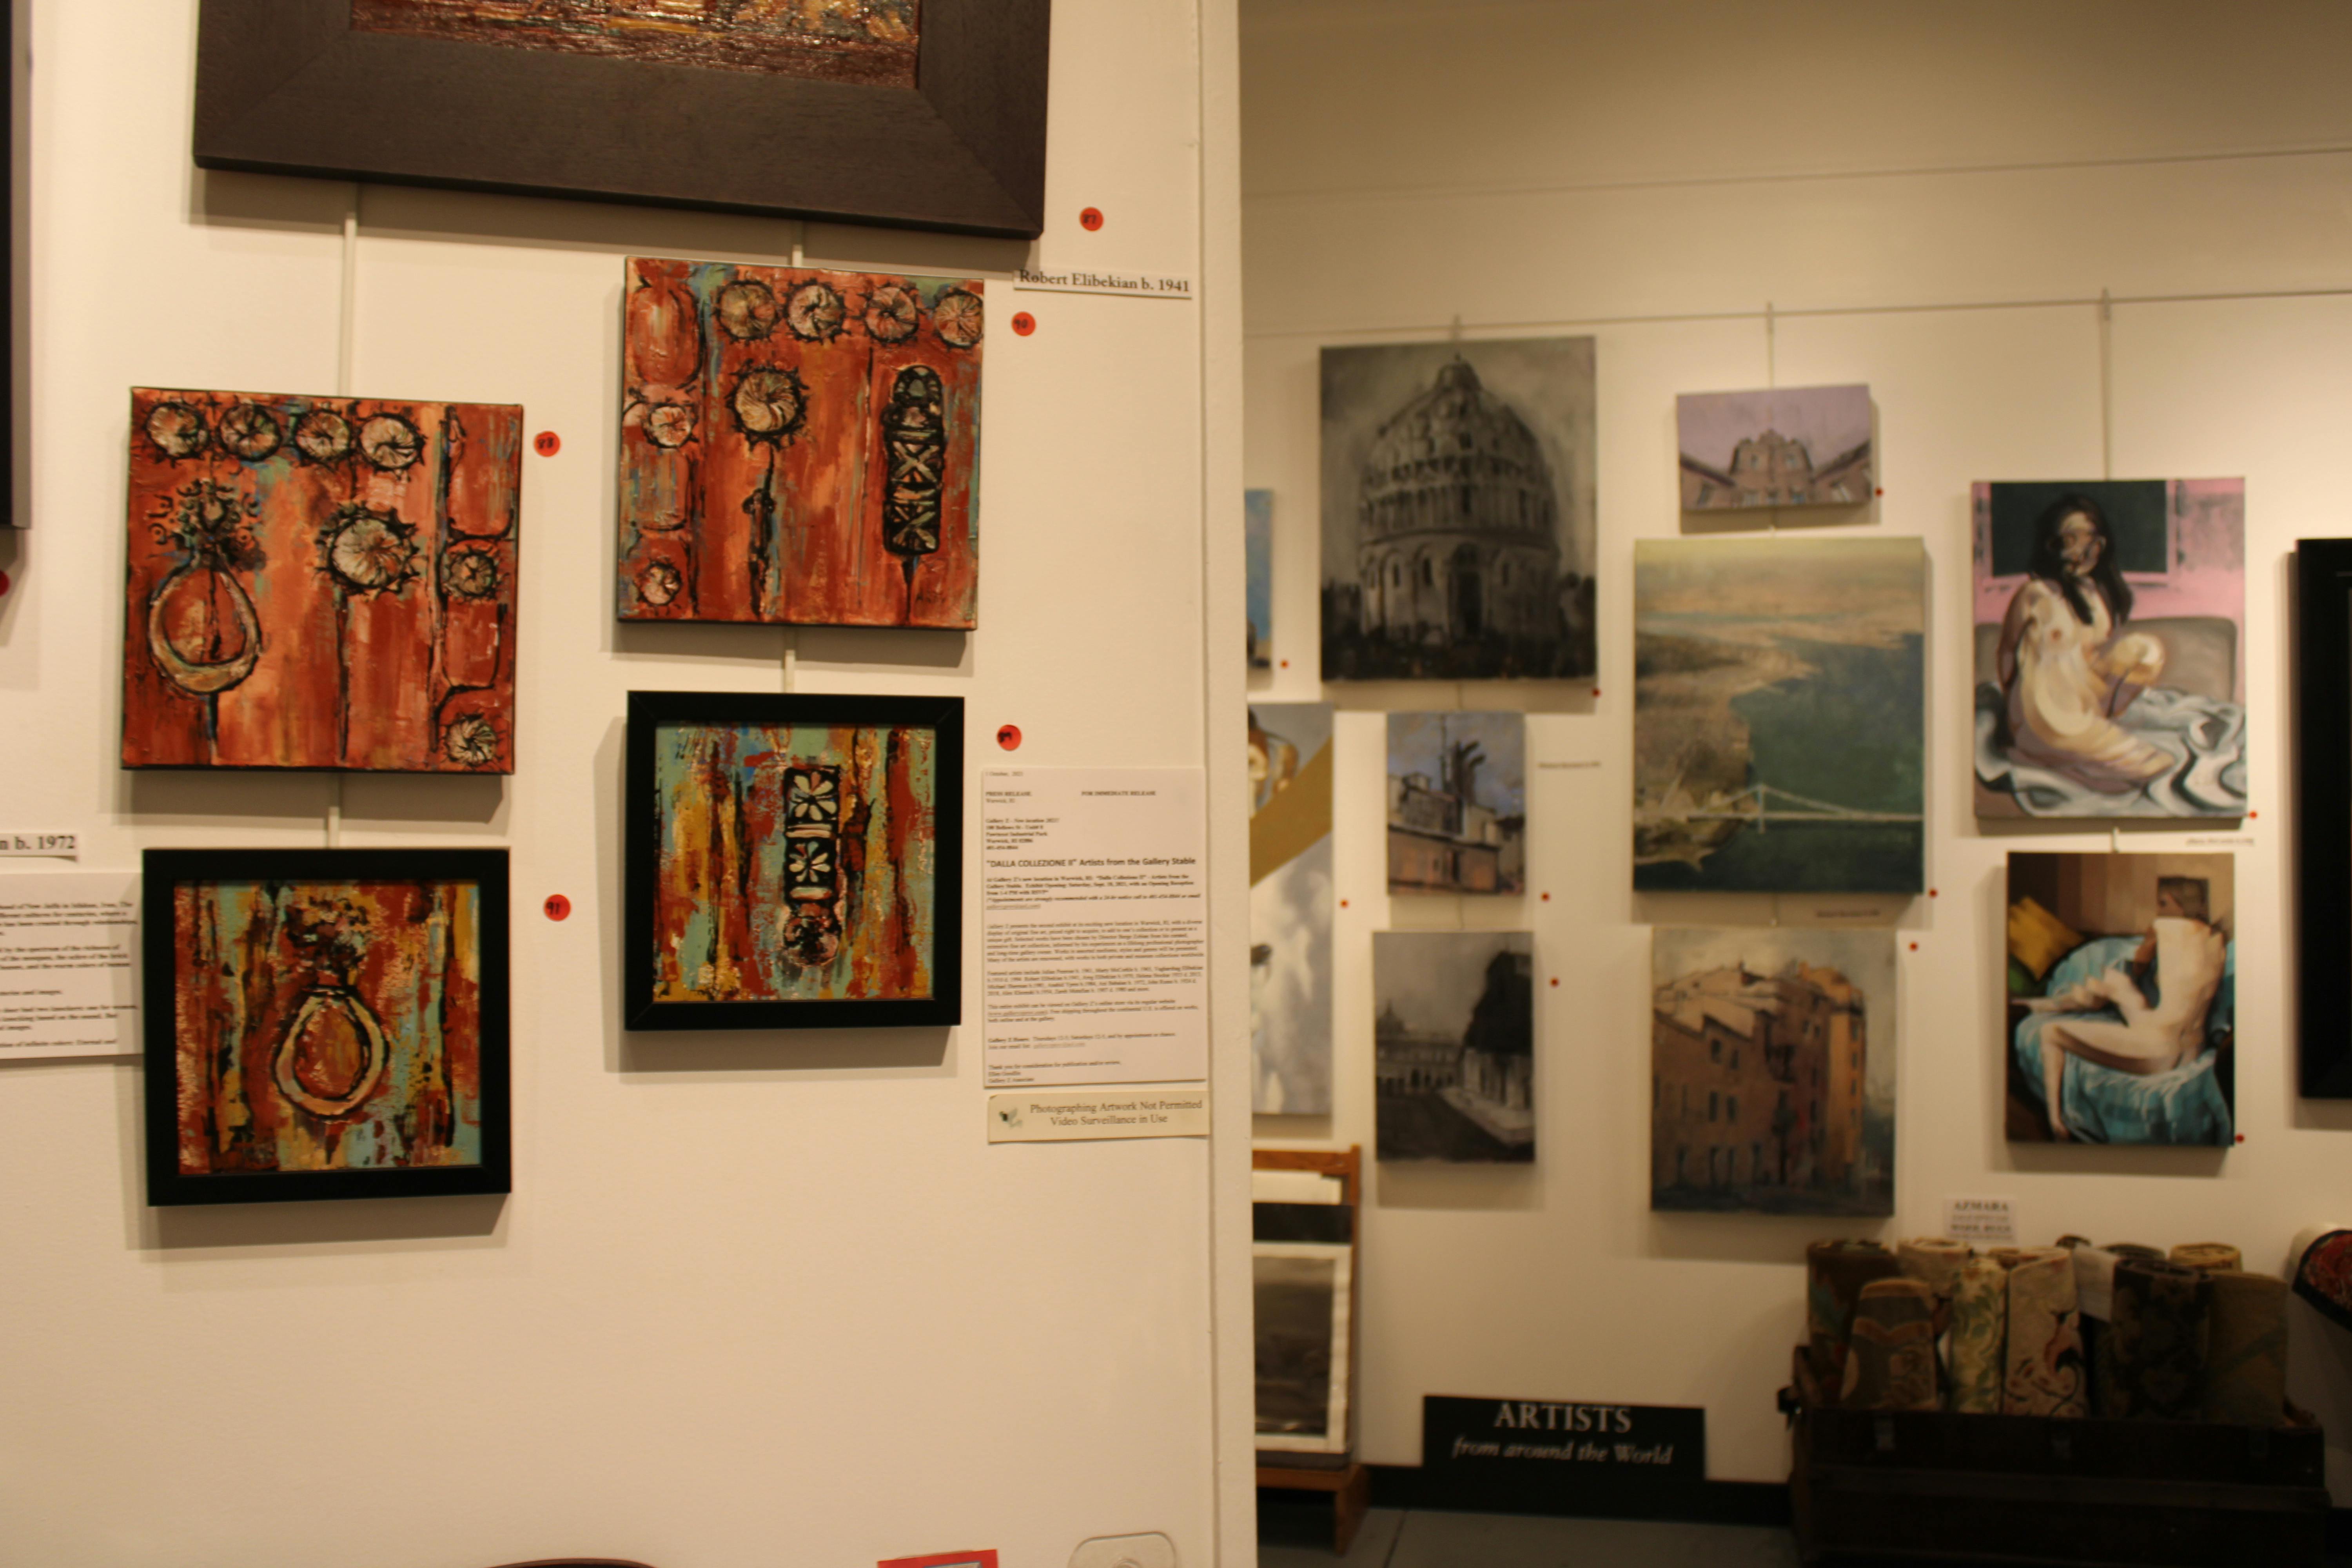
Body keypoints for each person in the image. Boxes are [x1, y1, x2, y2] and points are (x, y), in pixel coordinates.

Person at [2023, 877, 2228, 1141]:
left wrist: (2143, 957)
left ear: (2176, 903)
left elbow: (2139, 965)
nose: (2159, 910)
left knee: (2050, 1033)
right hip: (2191, 1048)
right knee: (2116, 982)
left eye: (2163, 903)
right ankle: (2056, 1003)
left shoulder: (2162, 926)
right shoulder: (2216, 940)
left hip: (2158, 1049)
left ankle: (2056, 1124)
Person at [1994, 494, 2171, 791]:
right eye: (2067, 540)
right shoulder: (2035, 594)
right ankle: (2051, 744)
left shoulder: (2095, 595)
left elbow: (2094, 660)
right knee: (2151, 764)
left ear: (2100, 545)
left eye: (2087, 540)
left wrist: (2100, 699)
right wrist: (2011, 710)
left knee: (2148, 650)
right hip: (2044, 713)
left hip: (2082, 700)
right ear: (2052, 544)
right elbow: (2008, 651)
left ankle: (2091, 729)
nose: (2076, 551)